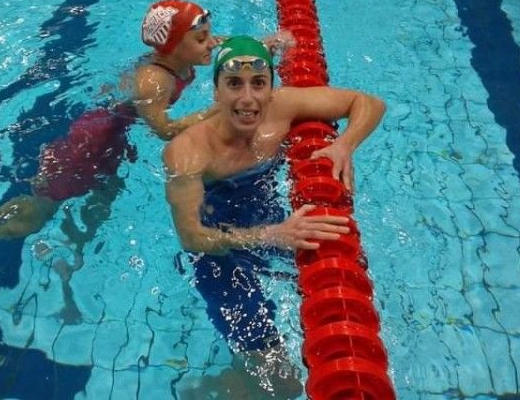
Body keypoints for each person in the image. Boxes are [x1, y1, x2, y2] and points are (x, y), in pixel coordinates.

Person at [0, 0, 291, 296]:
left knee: (106, 193)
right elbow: (164, 130)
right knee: (39, 211)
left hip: (112, 139)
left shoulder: (181, 54)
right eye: (202, 39)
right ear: (175, 46)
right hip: (88, 145)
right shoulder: (154, 81)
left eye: (208, 36)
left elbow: (221, 43)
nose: (211, 44)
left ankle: (73, 253)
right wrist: (216, 109)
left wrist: (261, 45)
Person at [163, 36, 386, 397]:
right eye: (234, 84)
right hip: (219, 252)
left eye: (258, 83)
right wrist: (270, 235)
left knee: (340, 289)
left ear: (271, 88)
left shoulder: (282, 107)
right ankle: (207, 389)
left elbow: (369, 103)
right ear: (216, 91)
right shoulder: (187, 152)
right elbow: (191, 236)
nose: (247, 98)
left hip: (271, 219)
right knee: (282, 384)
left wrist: (345, 144)